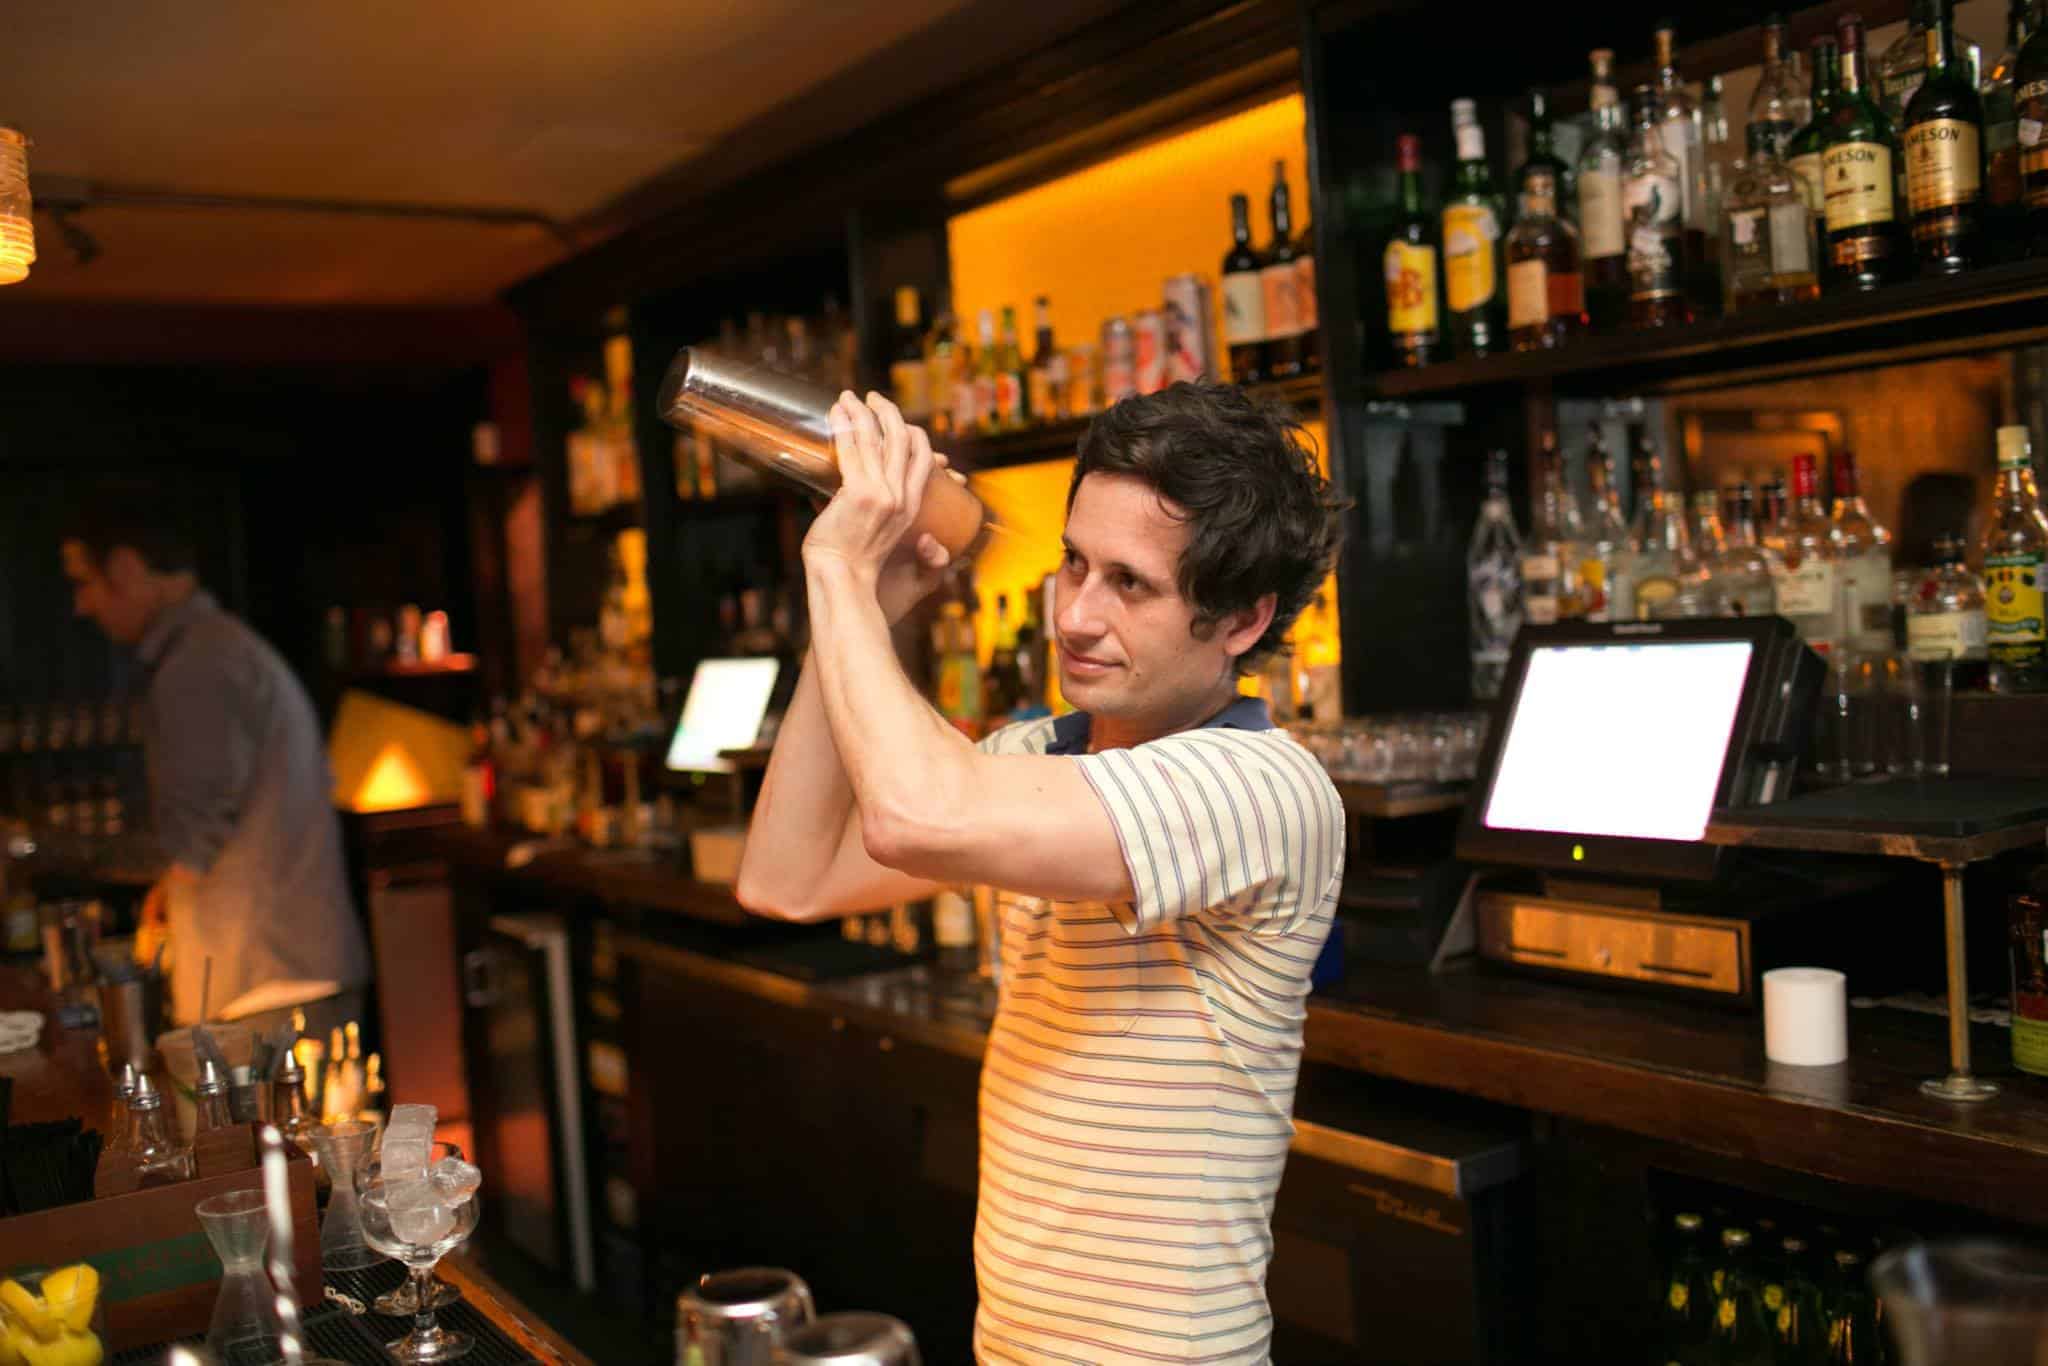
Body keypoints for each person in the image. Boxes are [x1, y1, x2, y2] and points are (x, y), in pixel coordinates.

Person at [736, 381, 1347, 1364]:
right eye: (1073, 562)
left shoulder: (1259, 786)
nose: (1074, 612)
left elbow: (915, 811)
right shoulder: (1034, 758)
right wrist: (861, 606)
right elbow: (786, 876)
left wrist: (840, 570)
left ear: (1239, 620)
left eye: (1129, 582)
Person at [63, 491, 370, 1037]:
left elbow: (184, 844)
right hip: (281, 974)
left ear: (128, 568)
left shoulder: (197, 666)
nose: (80, 606)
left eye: (83, 583)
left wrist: (34, 849)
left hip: (268, 986)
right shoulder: (214, 648)